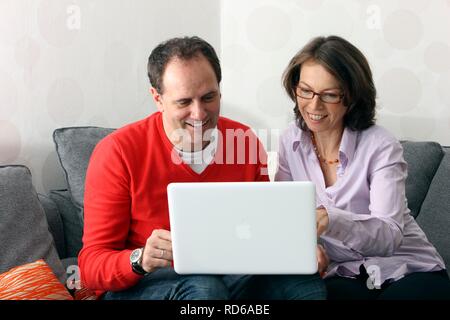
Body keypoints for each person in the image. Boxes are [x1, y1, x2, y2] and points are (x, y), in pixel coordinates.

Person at [78, 36, 326, 300]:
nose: (199, 113)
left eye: (209, 97)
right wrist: (140, 259)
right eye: (184, 102)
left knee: (302, 280)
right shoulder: (117, 152)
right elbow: (90, 267)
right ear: (158, 98)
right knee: (205, 289)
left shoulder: (243, 140)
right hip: (148, 283)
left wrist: (296, 249)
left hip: (229, 277)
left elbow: (261, 232)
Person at [276, 35, 450, 300]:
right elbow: (285, 215)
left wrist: (332, 219)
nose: (313, 105)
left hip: (408, 268)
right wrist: (308, 246)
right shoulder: (290, 141)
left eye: (330, 95)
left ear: (352, 96)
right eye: (305, 90)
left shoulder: (380, 144)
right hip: (345, 273)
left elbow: (389, 235)